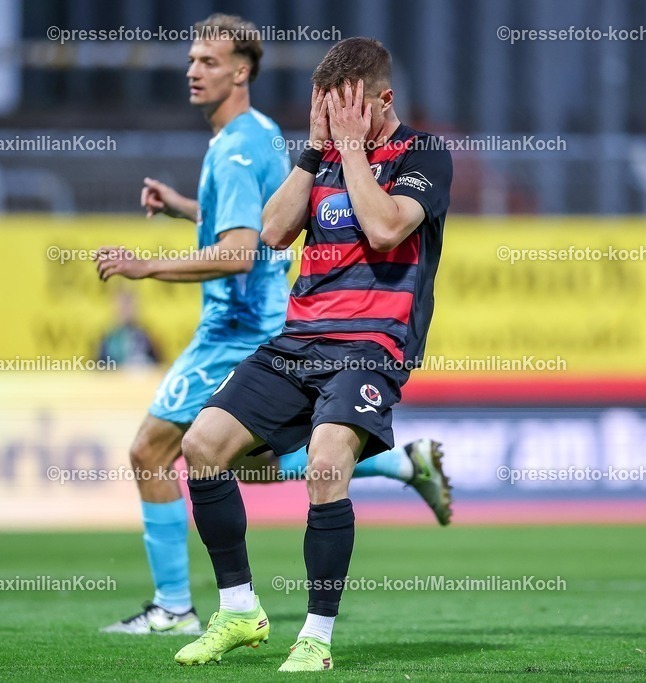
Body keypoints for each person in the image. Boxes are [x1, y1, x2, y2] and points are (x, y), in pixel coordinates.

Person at [95, 18, 452, 638]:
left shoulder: (414, 152)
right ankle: (236, 606)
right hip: (293, 338)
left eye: (208, 60)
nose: (192, 71)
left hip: (315, 336)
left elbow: (376, 230)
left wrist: (148, 266)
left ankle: (192, 610)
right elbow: (269, 231)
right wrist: (315, 152)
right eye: (328, 108)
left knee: (168, 451)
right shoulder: (301, 149)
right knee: (228, 454)